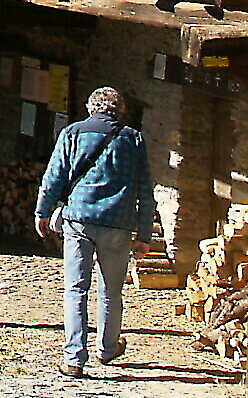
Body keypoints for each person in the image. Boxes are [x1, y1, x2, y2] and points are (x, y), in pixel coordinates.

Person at [33, 86, 158, 378]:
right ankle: (108, 347)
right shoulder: (133, 140)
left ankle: (74, 358)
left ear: (92, 108)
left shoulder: (73, 133)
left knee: (76, 288)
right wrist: (143, 234)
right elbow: (145, 190)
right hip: (119, 222)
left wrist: (42, 211)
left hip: (79, 219)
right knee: (111, 290)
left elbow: (54, 177)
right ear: (119, 111)